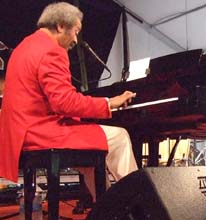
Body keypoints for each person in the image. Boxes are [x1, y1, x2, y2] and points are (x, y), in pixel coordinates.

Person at [0, 2, 138, 202]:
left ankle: (109, 208)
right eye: (75, 31)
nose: (76, 39)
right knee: (120, 137)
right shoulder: (52, 50)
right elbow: (64, 102)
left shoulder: (25, 46)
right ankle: (137, 204)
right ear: (61, 26)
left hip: (21, 131)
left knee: (92, 156)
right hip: (40, 132)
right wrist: (109, 103)